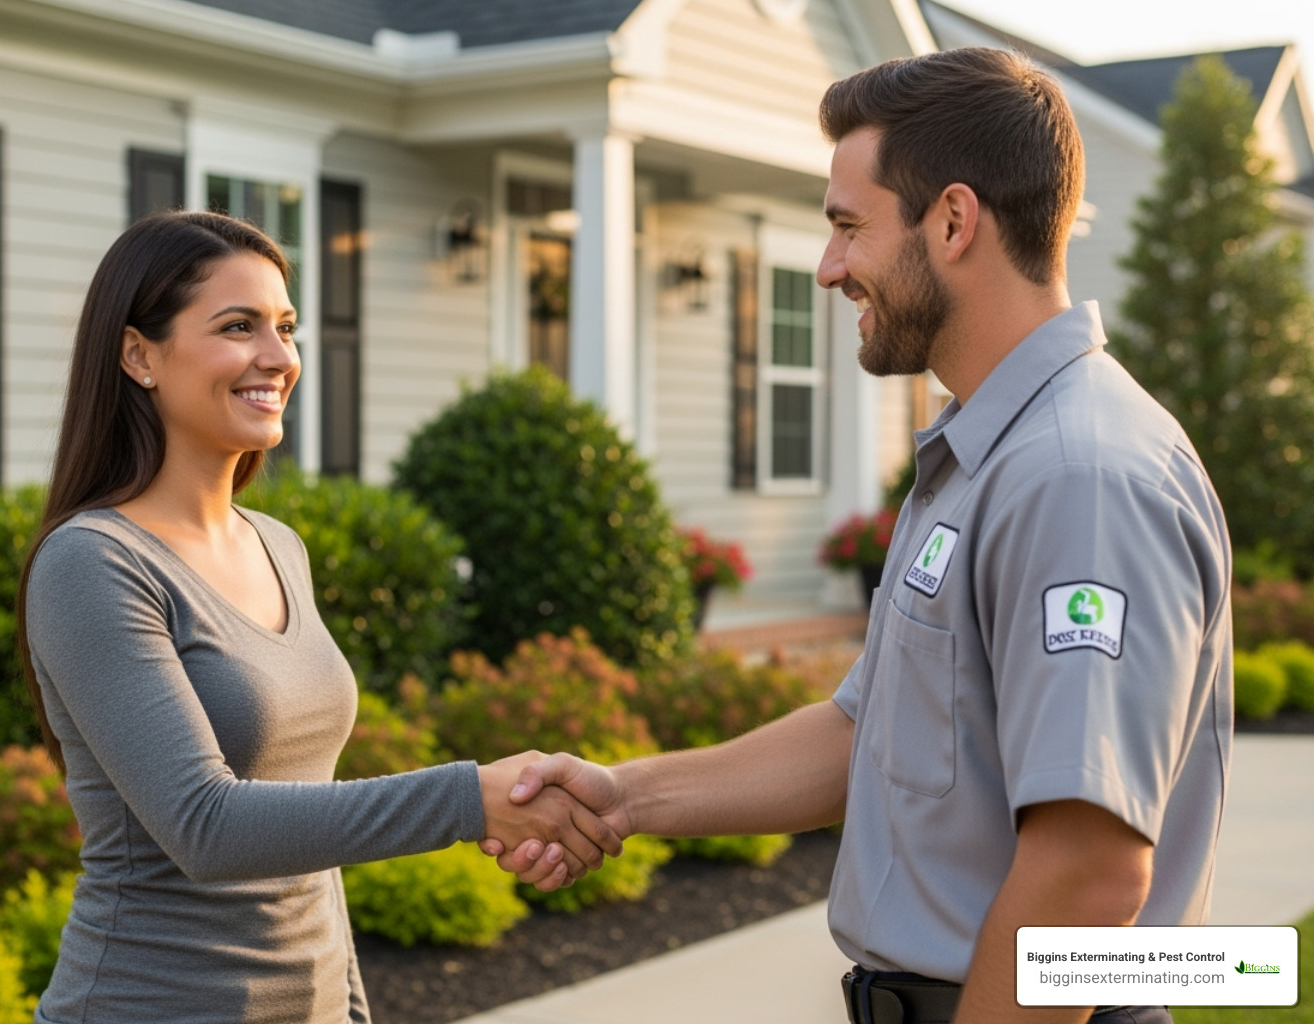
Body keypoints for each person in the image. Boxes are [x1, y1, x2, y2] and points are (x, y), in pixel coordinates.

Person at [489, 47, 1233, 1024]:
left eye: (848, 227)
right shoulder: (985, 454)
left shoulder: (1077, 476)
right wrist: (623, 798)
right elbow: (867, 732)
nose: (829, 267)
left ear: (954, 221)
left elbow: (1088, 875)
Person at [16, 210, 619, 1024]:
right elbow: (207, 827)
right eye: (238, 327)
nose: (279, 357)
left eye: (286, 327)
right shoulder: (93, 562)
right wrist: (470, 799)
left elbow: (308, 830)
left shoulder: (278, 546)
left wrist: (349, 1004)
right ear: (139, 355)